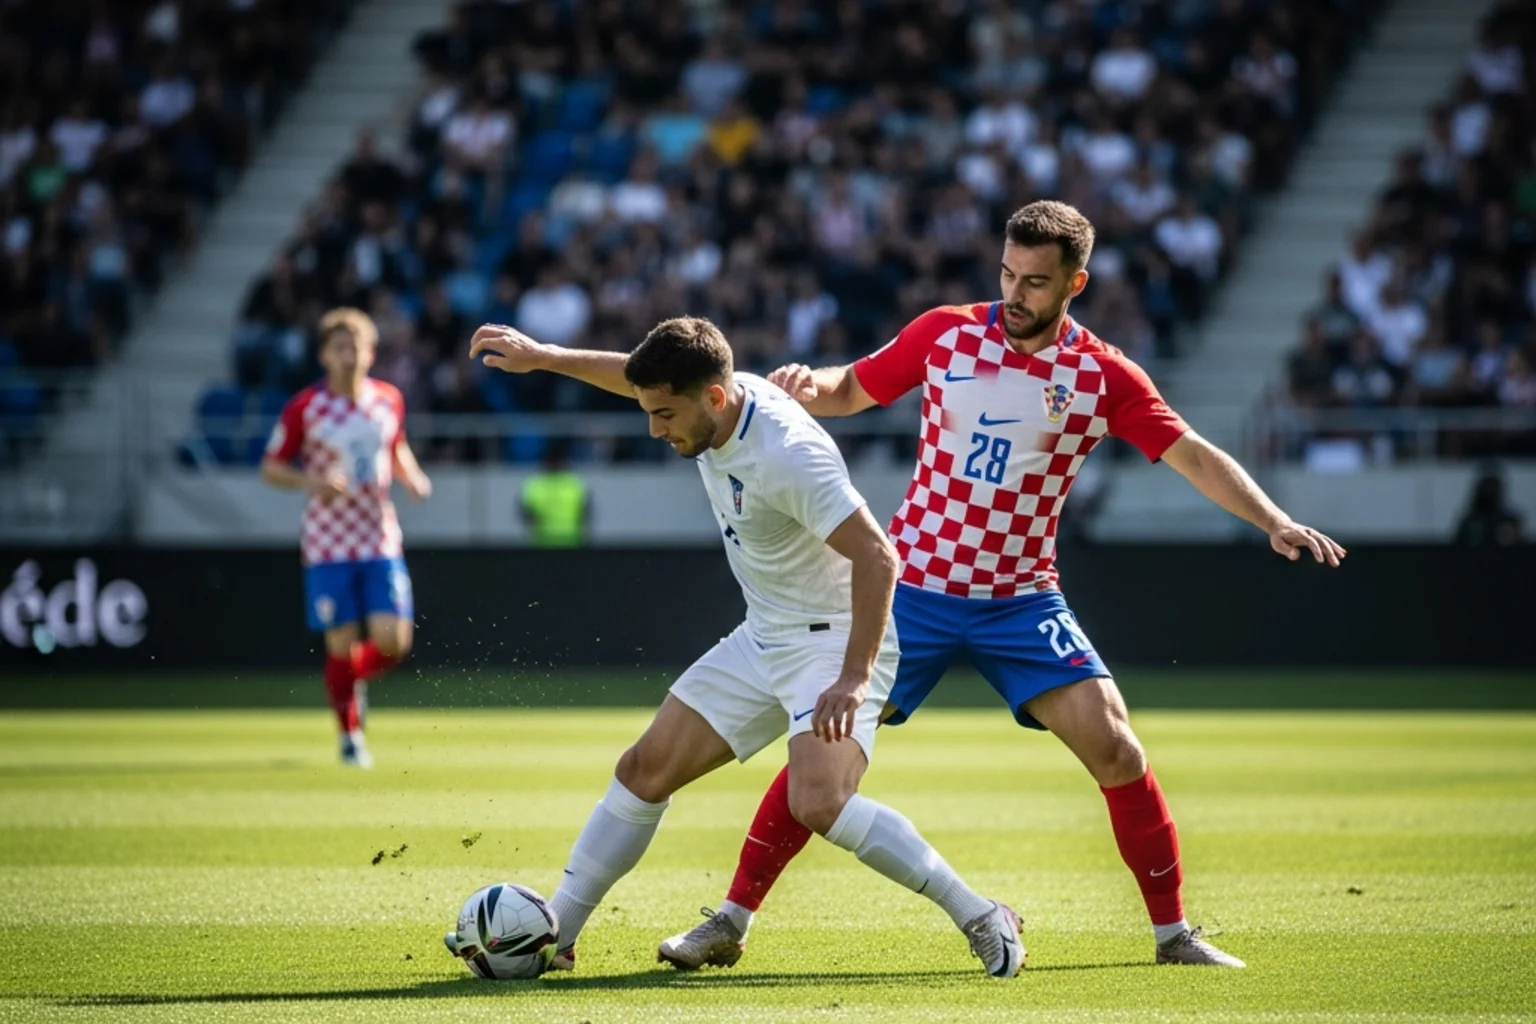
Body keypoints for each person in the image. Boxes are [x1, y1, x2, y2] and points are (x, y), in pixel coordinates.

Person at [657, 201, 1347, 971]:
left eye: (1037, 282)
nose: (1016, 294)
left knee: (1118, 749)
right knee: (823, 752)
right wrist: (806, 383)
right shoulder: (945, 332)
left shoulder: (1101, 374)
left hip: (1022, 599)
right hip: (909, 592)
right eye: (1008, 274)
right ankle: (730, 920)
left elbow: (1190, 454)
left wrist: (1272, 519)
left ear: (1075, 283)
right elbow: (854, 386)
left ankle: (1173, 935)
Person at [464, 316, 1026, 977]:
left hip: (833, 642)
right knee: (643, 770)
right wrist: (546, 356)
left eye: (665, 414)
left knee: (818, 802)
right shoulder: (709, 398)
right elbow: (635, 376)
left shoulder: (786, 455)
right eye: (650, 411)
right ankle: (555, 937)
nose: (654, 428)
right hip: (766, 635)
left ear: (715, 398)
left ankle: (983, 916)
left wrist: (852, 678)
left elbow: (879, 557)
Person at [260, 308, 432, 768]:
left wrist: (411, 476)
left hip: (378, 538)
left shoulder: (388, 400)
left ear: (370, 353)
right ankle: (350, 736)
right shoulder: (306, 407)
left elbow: (395, 447)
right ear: (324, 355)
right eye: (340, 346)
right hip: (328, 543)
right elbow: (272, 466)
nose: (349, 355)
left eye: (356, 346)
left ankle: (345, 681)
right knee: (340, 640)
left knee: (394, 641)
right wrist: (310, 483)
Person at [519, 440, 591, 547]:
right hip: (543, 542)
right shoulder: (535, 484)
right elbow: (525, 512)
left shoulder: (574, 483)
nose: (556, 464)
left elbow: (585, 511)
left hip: (571, 541)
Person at [1454, 468, 1525, 546]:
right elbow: (1457, 549)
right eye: (1487, 487)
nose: (1489, 491)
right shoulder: (1469, 522)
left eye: (1493, 487)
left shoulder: (1509, 522)